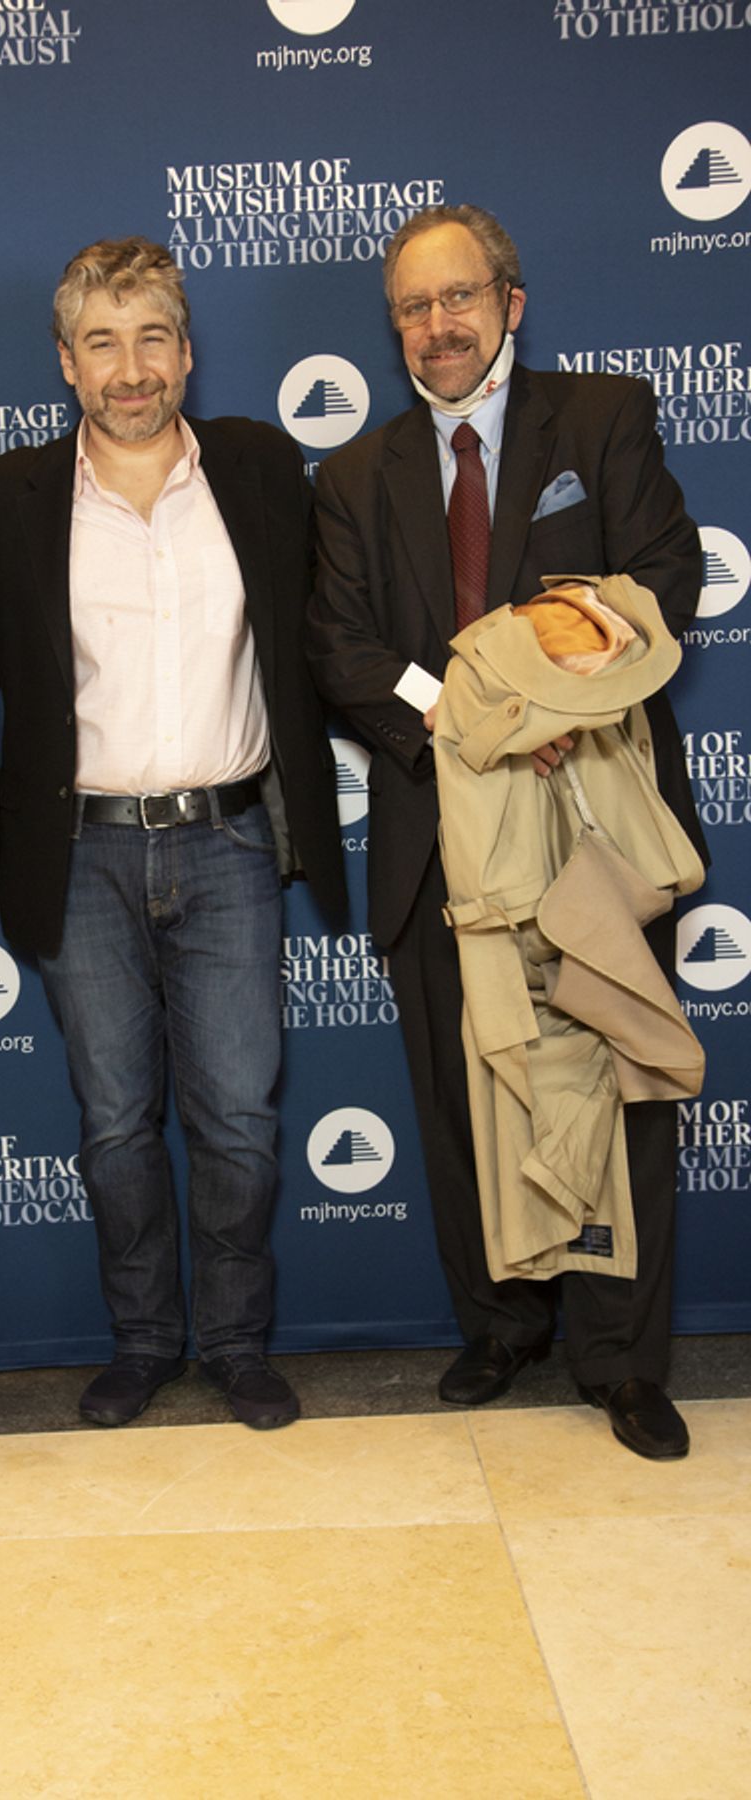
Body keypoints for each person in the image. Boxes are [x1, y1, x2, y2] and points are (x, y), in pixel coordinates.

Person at [307, 204, 706, 1460]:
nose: (440, 326)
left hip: (593, 825)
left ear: (510, 303)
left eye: (459, 298)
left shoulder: (599, 419)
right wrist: (480, 716)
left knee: (614, 1087)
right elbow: (346, 652)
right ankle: (501, 1326)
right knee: (460, 1084)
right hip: (443, 827)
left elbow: (658, 581)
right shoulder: (355, 479)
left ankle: (621, 1358)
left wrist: (547, 697)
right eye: (414, 309)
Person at [0, 237, 345, 1431]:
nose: (132, 370)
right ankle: (143, 1341)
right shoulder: (11, 498)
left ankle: (234, 1343)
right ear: (67, 363)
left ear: (186, 349)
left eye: (152, 339)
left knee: (238, 1114)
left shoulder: (259, 466)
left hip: (231, 845)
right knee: (115, 1118)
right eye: (103, 343)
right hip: (80, 857)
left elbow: (319, 640)